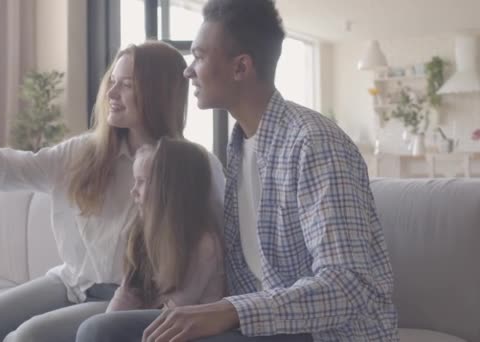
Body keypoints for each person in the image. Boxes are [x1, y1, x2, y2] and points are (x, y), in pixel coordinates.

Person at [76, 0, 399, 341]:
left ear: (241, 67)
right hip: (262, 327)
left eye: (199, 56)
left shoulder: (314, 144)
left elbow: (348, 285)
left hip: (324, 334)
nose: (188, 71)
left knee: (102, 334)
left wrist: (230, 311)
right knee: (95, 330)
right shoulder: (240, 148)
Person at [0, 41, 225, 342]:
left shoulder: (195, 166)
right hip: (71, 282)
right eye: (112, 82)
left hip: (131, 298)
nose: (111, 93)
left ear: (158, 93)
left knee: (29, 338)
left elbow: (213, 249)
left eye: (127, 85)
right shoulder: (83, 152)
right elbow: (8, 167)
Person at [105, 138, 225, 313]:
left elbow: (175, 310)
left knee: (94, 330)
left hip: (184, 326)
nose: (133, 191)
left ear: (170, 189)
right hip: (151, 317)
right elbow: (127, 293)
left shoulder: (203, 245)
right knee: (95, 328)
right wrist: (108, 323)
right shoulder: (141, 231)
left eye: (142, 181)